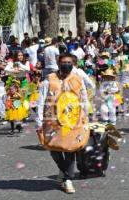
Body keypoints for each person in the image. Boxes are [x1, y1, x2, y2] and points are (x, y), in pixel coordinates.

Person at [36, 53, 89, 194]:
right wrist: (38, 121)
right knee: (54, 150)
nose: (66, 64)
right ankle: (63, 171)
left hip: (73, 121)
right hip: (52, 122)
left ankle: (68, 179)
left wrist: (86, 116)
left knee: (70, 149)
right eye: (63, 62)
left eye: (69, 62)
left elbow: (84, 98)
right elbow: (41, 101)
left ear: (73, 64)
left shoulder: (78, 80)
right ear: (58, 64)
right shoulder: (49, 80)